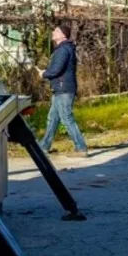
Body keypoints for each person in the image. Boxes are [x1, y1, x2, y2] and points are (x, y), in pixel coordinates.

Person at [38, 24, 88, 157]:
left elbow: (56, 69)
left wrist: (44, 74)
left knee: (66, 118)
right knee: (53, 118)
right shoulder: (64, 48)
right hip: (60, 88)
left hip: (63, 89)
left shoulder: (63, 50)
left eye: (56, 30)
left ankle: (81, 147)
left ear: (63, 35)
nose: (53, 32)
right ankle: (44, 146)